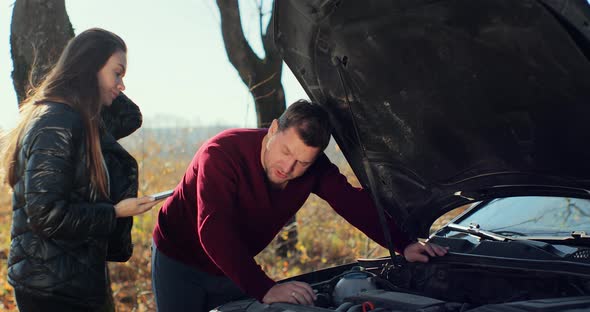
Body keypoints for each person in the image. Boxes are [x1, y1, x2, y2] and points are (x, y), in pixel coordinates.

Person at [151, 100, 449, 311]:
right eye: (285, 151)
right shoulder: (220, 154)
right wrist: (265, 288)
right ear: (273, 130)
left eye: (302, 162)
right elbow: (213, 229)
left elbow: (352, 201)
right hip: (178, 261)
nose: (288, 167)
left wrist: (402, 243)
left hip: (233, 263)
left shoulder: (314, 167)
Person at [1, 28, 161, 312]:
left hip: (65, 279)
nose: (122, 84)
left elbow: (130, 117)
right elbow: (47, 214)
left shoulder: (80, 119)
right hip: (52, 289)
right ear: (91, 68)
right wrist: (115, 212)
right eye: (117, 73)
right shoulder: (58, 123)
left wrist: (99, 87)